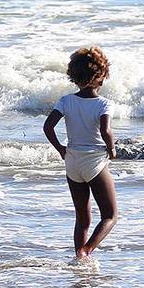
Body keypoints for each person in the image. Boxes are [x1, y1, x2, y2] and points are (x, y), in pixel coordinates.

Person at [42, 47, 119, 259]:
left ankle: (79, 256)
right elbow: (106, 130)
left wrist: (60, 149)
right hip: (94, 161)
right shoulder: (104, 104)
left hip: (72, 161)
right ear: (99, 77)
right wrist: (112, 150)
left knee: (82, 219)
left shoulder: (66, 101)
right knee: (110, 215)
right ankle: (87, 250)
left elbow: (48, 127)